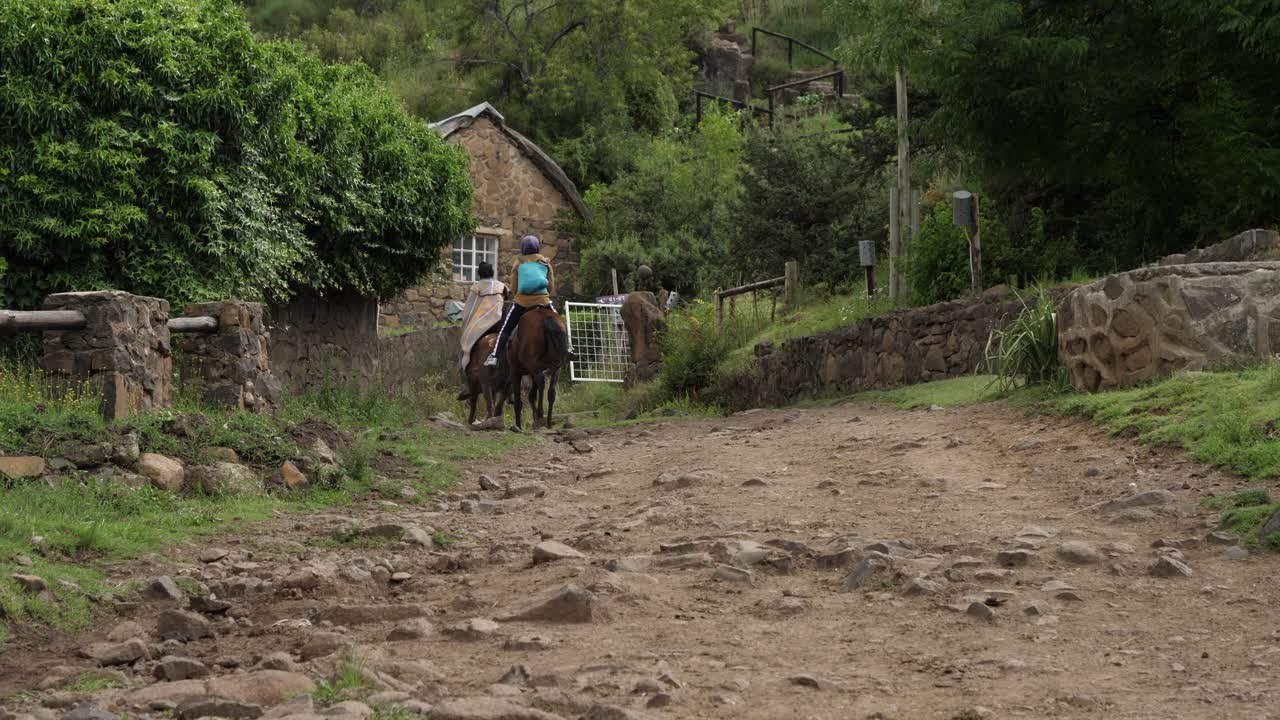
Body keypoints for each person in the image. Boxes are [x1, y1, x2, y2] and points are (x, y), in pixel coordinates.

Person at [485, 235, 574, 366]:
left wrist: (519, 296)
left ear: (523, 248)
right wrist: (542, 294)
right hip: (543, 301)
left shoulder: (518, 262)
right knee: (559, 323)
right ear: (537, 247)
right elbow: (550, 287)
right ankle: (568, 348)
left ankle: (495, 356)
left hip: (522, 302)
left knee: (506, 329)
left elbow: (514, 287)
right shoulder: (545, 262)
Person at [456, 261, 507, 400]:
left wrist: (465, 321)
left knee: (464, 350)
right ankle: (516, 388)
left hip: (481, 326)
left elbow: (469, 309)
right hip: (500, 324)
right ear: (492, 273)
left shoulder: (476, 287)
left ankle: (466, 385)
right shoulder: (502, 286)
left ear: (479, 273)